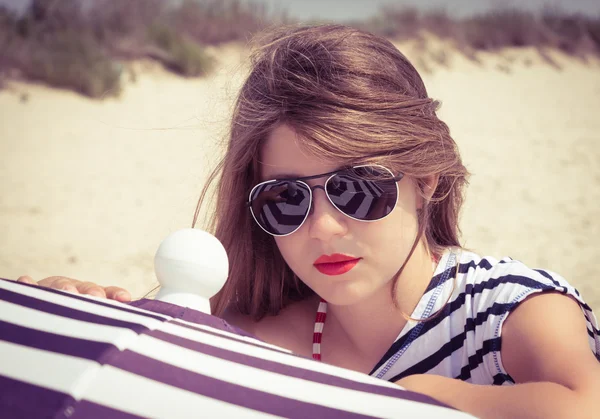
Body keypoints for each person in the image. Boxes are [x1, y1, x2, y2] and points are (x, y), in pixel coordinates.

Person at [17, 24, 600, 418]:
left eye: (358, 189)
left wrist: (412, 398)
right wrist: (73, 318)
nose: (321, 226)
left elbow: (585, 404)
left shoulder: (508, 311)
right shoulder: (266, 336)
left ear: (427, 180)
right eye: (286, 200)